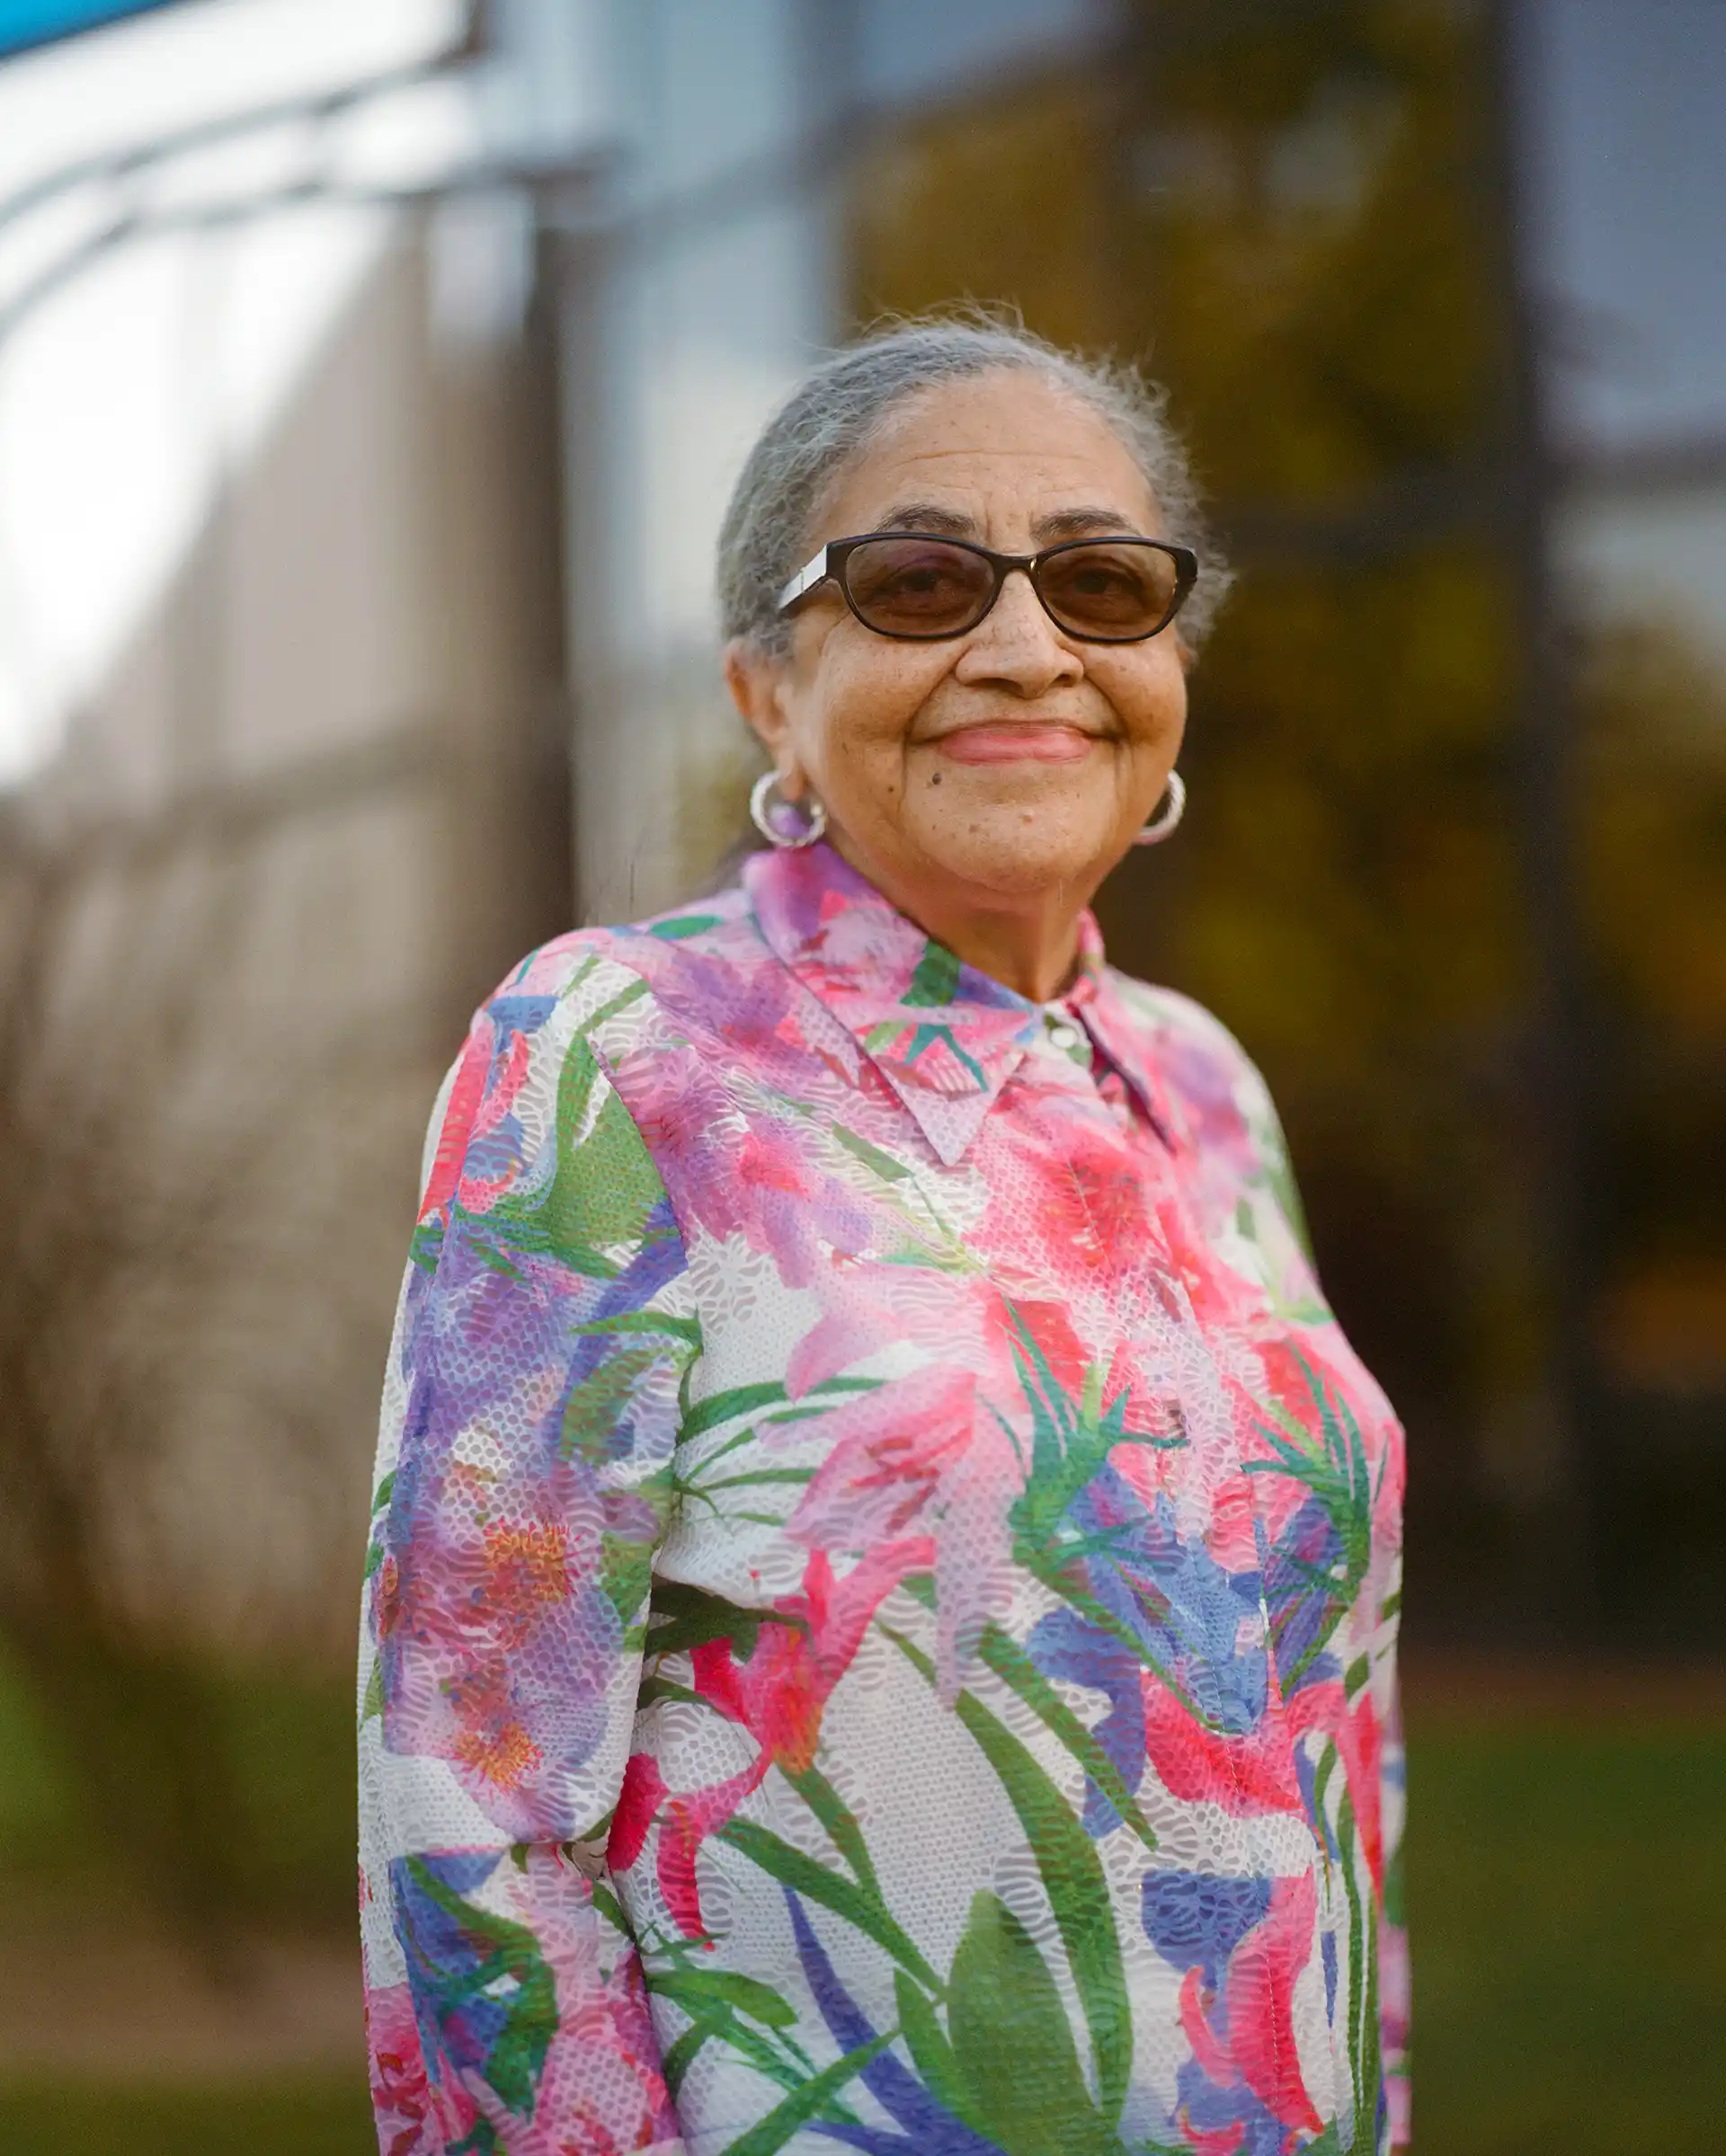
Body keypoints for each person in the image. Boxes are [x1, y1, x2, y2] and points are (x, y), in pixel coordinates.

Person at [358, 317, 1409, 2156]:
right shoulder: (619, 1051)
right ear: (769, 688)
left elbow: (1345, 1757)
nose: (1027, 646)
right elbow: (471, 1804)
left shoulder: (1206, 1085)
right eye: (918, 580)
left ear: (1169, 659)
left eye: (1101, 580)